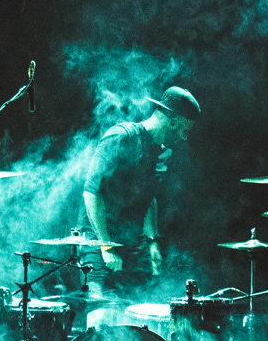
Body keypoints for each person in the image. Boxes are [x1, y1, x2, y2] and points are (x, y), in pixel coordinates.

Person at [81, 86, 200, 304]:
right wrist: (106, 246)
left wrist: (152, 241)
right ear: (173, 121)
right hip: (98, 239)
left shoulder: (160, 151)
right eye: (185, 130)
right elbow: (91, 193)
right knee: (101, 315)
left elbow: (148, 198)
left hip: (132, 243)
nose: (184, 137)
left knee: (138, 313)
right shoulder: (121, 137)